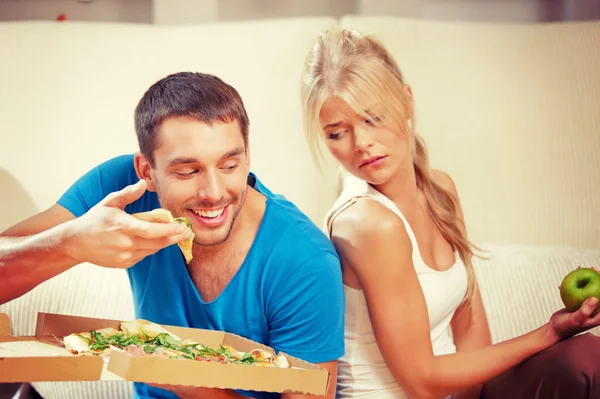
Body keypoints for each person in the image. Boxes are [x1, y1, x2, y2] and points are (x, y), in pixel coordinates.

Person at [0, 72, 344, 399]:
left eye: (229, 165)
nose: (213, 192)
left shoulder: (305, 261)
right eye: (187, 170)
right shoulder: (124, 191)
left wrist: (188, 381)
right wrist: (71, 243)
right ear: (146, 171)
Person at [300, 28, 600, 399]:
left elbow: (471, 335)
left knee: (584, 359)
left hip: (457, 394)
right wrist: (550, 332)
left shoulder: (440, 190)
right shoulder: (368, 224)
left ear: (407, 101)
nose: (361, 144)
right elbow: (421, 382)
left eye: (372, 117)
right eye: (336, 133)